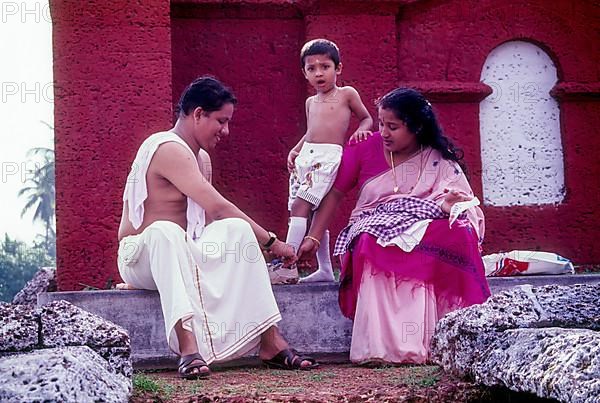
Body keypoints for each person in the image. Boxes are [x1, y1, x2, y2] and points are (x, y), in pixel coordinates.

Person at [117, 76, 318, 379]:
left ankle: (270, 342)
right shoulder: (167, 148)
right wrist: (273, 243)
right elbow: (218, 206)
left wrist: (251, 257)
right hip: (141, 256)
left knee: (236, 230)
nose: (226, 131)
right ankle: (188, 348)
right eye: (221, 121)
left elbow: (212, 223)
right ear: (198, 114)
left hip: (183, 251)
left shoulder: (202, 159)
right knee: (165, 231)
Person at [296, 87, 491, 365]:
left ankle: (443, 341)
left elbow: (463, 203)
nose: (384, 133)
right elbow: (335, 193)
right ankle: (381, 348)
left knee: (459, 232)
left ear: (417, 127)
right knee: (370, 238)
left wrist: (450, 204)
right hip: (374, 221)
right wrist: (313, 238)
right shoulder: (364, 147)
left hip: (425, 221)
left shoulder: (436, 156)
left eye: (393, 127)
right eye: (380, 124)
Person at [286, 38, 373, 283]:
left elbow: (366, 118)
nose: (318, 73)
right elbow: (311, 132)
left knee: (299, 208)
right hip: (306, 158)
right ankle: (324, 269)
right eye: (311, 69)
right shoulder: (310, 102)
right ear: (304, 73)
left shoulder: (346, 94)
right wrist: (295, 149)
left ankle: (287, 264)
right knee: (311, 214)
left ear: (339, 68)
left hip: (327, 159)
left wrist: (362, 130)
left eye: (325, 66)